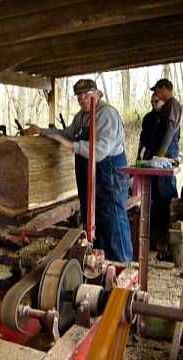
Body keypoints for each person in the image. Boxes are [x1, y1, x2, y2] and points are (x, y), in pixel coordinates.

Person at [26, 79, 132, 262]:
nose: (82, 99)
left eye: (86, 94)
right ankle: (100, 263)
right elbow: (67, 134)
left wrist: (71, 145)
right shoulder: (82, 117)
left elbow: (99, 151)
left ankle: (124, 265)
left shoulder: (107, 115)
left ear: (97, 93)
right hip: (90, 175)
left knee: (113, 219)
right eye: (79, 96)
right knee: (93, 220)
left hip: (109, 175)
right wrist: (42, 131)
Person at [147, 79, 181, 257]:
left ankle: (168, 239)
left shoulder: (172, 105)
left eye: (157, 91)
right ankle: (157, 237)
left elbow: (170, 131)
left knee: (166, 196)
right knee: (157, 198)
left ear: (164, 89)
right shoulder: (165, 107)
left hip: (166, 157)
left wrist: (161, 154)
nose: (156, 95)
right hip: (161, 157)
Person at [137, 93, 165, 161]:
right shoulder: (147, 117)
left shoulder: (168, 118)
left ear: (163, 101)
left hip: (164, 155)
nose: (153, 103)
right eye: (152, 102)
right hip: (149, 154)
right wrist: (139, 154)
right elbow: (143, 138)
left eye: (156, 101)